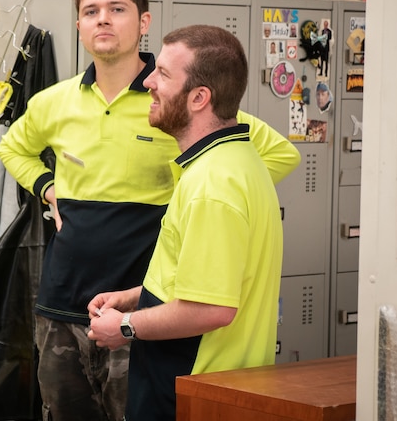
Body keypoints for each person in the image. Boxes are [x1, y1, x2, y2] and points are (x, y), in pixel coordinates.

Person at [0, 0, 300, 421]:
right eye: (91, 12)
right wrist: (48, 188)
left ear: (143, 22)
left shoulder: (174, 103)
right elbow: (12, 148)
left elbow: (274, 154)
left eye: (117, 9)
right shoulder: (54, 102)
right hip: (66, 299)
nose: (103, 20)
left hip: (148, 316)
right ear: (77, 24)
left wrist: (191, 197)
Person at [86, 24, 285, 420]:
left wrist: (124, 325)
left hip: (193, 389)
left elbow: (211, 308)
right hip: (216, 386)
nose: (148, 82)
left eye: (162, 74)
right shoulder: (237, 159)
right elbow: (210, 276)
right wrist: (136, 296)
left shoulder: (213, 185)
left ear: (198, 98)